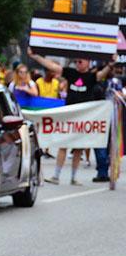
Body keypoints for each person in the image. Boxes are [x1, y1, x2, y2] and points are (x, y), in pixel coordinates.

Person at [29, 51, 114, 185]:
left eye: (83, 60)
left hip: (83, 117)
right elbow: (52, 67)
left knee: (79, 148)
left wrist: (110, 64)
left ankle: (73, 177)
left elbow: (102, 74)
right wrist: (36, 56)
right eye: (78, 60)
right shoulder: (70, 73)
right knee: (64, 145)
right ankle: (56, 176)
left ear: (88, 62)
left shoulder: (91, 77)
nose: (79, 62)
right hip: (69, 116)